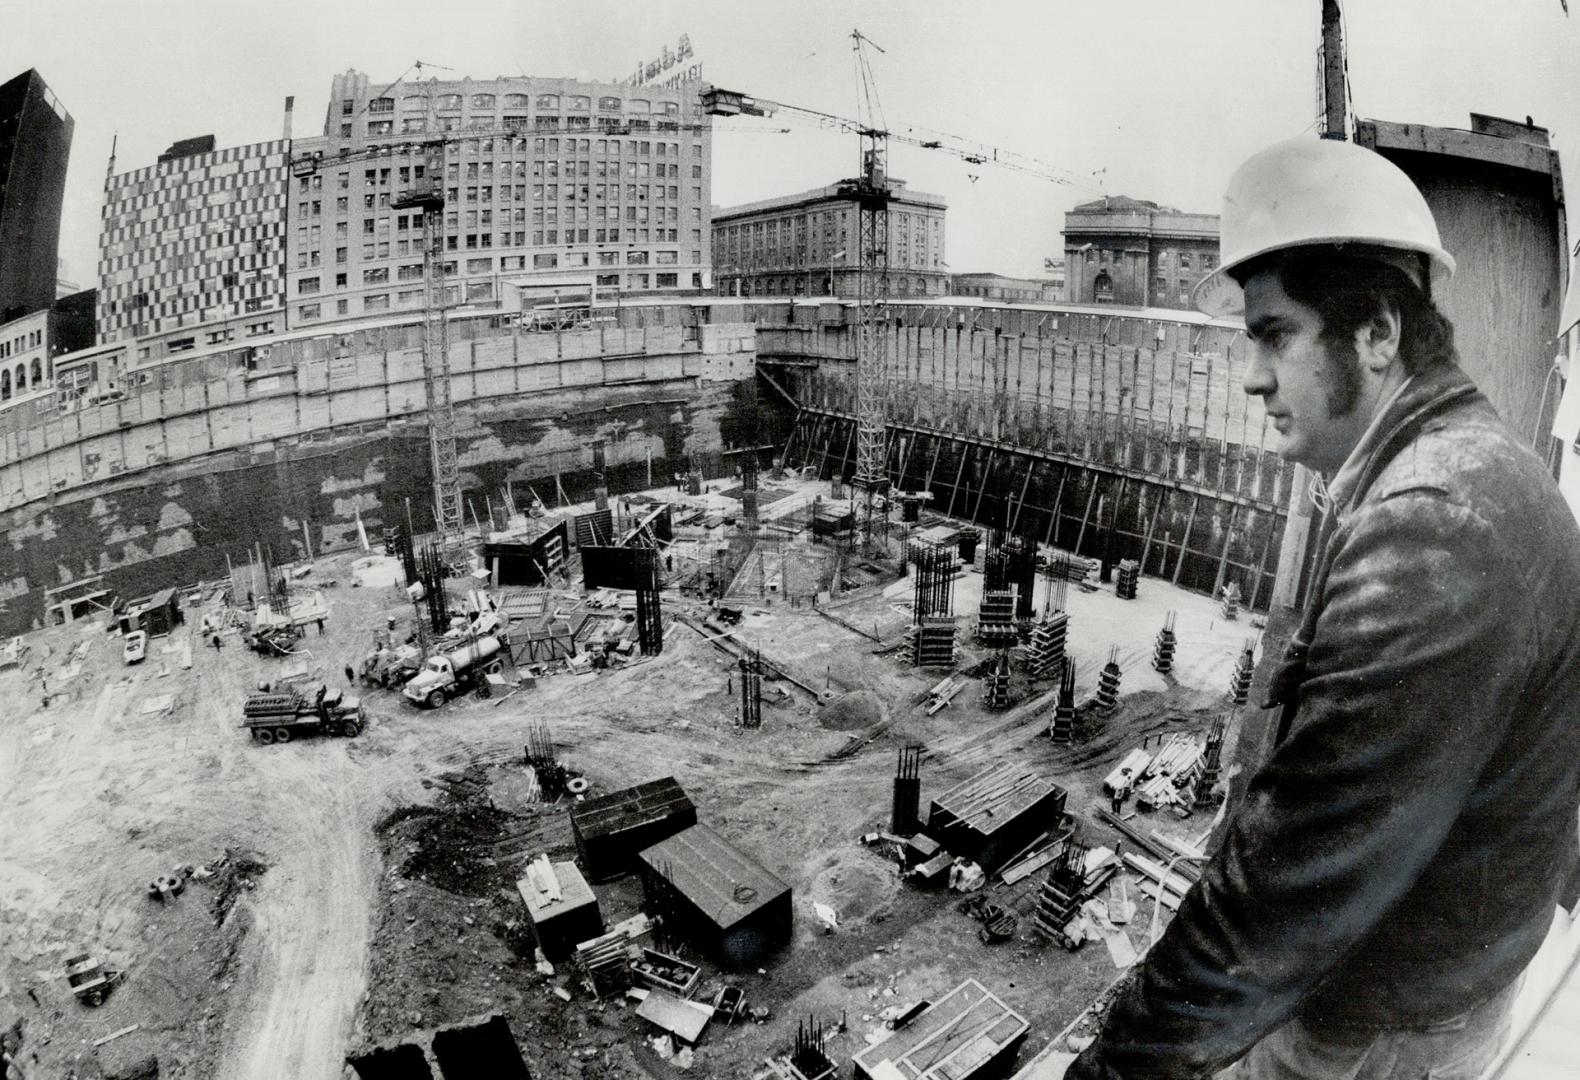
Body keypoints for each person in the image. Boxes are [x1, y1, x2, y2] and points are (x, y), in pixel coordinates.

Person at [1067, 138, 1580, 1080]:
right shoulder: (1457, 470)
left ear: (1377, 334)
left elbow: (1287, 886)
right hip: (1415, 989)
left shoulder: (1437, 526)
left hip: (1377, 1029)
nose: (1253, 377)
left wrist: (1110, 1069)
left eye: (1275, 335)